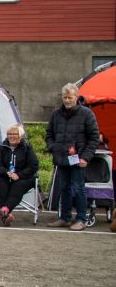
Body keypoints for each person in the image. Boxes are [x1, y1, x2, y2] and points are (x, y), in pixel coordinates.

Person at [45, 84, 100, 231]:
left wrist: (85, 158)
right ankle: (65, 218)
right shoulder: (56, 114)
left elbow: (94, 138)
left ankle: (81, 219)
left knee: (79, 188)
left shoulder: (87, 114)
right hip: (62, 159)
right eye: (65, 97)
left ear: (77, 97)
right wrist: (53, 147)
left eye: (70, 97)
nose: (67, 100)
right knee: (64, 188)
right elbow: (49, 134)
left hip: (79, 159)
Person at [0, 123, 39, 226]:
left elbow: (33, 165)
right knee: (1, 184)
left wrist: (19, 175)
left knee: (18, 185)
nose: (11, 136)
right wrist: (6, 173)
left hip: (24, 177)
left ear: (20, 136)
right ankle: (6, 215)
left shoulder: (27, 147)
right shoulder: (2, 147)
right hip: (5, 175)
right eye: (9, 134)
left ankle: (5, 209)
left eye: (15, 134)